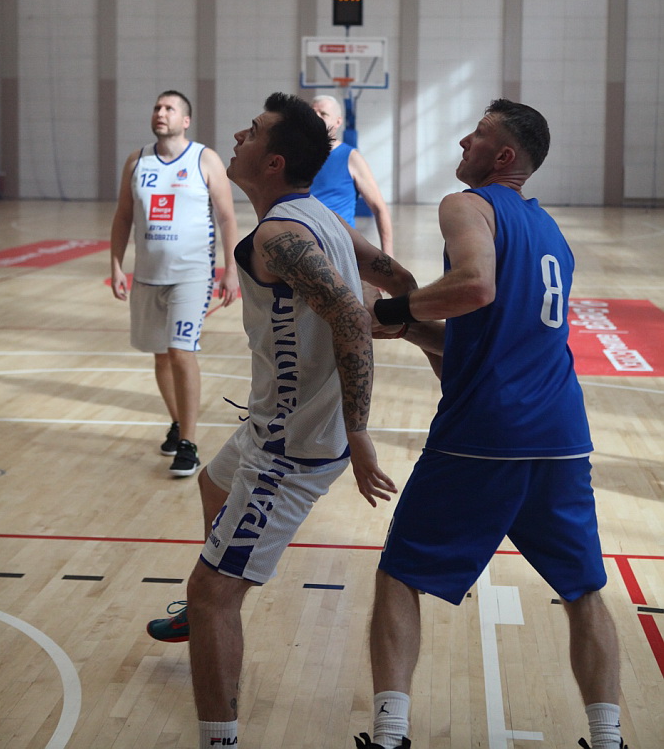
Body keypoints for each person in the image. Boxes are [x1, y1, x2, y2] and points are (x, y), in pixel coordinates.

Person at [145, 92, 415, 749]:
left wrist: (358, 431)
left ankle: (219, 729)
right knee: (213, 481)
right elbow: (394, 278)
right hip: (270, 425)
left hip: (291, 449)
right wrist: (417, 329)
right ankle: (215, 589)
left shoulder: (279, 236)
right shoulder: (319, 215)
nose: (239, 135)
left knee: (212, 593)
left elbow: (349, 315)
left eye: (253, 130)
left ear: (274, 161)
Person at [360, 99, 626, 749]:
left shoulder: (468, 205)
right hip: (561, 435)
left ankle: (390, 735)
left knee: (400, 573)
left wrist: (390, 309)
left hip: (484, 434)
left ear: (503, 156)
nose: (463, 140)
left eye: (477, 134)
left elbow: (475, 285)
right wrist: (411, 330)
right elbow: (491, 342)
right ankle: (609, 737)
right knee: (585, 590)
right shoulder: (551, 233)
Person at [110, 90, 240, 477]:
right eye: (157, 107)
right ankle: (178, 423)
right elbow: (122, 216)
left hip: (192, 275)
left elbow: (227, 217)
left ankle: (189, 443)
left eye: (169, 108)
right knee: (161, 356)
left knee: (181, 351)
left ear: (185, 120)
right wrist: (116, 264)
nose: (160, 112)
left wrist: (230, 269)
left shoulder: (205, 159)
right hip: (147, 275)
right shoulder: (137, 161)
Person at [310, 93, 394, 256]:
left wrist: (388, 256)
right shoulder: (294, 156)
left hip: (338, 247)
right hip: (303, 245)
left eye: (323, 114)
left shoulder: (351, 158)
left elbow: (380, 208)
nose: (316, 117)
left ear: (338, 121)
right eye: (312, 113)